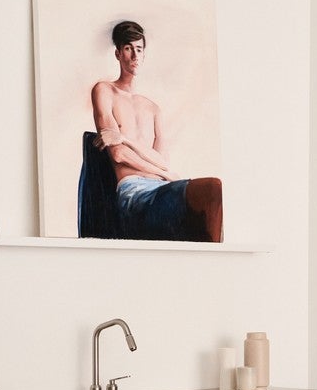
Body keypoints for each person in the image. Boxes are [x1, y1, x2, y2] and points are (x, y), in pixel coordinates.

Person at [90, 19, 223, 242]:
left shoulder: (152, 108)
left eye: (139, 49)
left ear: (144, 55)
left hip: (161, 187)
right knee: (210, 190)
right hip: (135, 191)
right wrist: (166, 174)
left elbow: (162, 162)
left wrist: (124, 138)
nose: (134, 55)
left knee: (212, 193)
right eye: (128, 48)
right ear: (118, 54)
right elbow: (118, 154)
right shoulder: (105, 91)